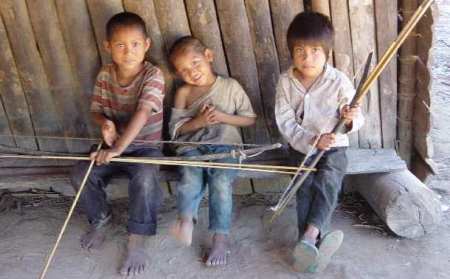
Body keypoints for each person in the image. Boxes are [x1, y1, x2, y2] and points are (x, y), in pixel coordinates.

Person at [70, 12, 165, 276]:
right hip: (112, 146)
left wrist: (117, 150)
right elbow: (97, 109)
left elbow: (143, 114)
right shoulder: (105, 74)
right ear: (108, 47)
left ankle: (137, 239)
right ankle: (100, 218)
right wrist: (104, 123)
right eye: (120, 45)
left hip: (146, 148)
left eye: (135, 44)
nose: (128, 51)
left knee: (145, 177)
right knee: (81, 172)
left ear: (146, 45)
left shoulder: (153, 75)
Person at [275, 11, 364, 273]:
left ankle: (309, 235)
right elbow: (285, 121)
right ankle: (311, 246)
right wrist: (312, 139)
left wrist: (349, 118)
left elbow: (356, 120)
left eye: (315, 50)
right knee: (304, 186)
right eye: (300, 50)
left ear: (327, 52)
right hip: (301, 147)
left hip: (335, 147)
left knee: (328, 181)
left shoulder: (339, 81)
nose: (307, 57)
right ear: (291, 52)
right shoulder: (285, 82)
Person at [168, 36, 256, 267]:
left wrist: (223, 117)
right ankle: (186, 219)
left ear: (209, 56)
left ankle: (220, 238)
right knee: (190, 173)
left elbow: (249, 119)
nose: (192, 72)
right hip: (193, 148)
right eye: (184, 70)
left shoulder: (230, 86)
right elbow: (175, 132)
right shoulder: (183, 93)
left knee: (221, 183)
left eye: (196, 63)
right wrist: (199, 122)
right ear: (178, 74)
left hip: (226, 148)